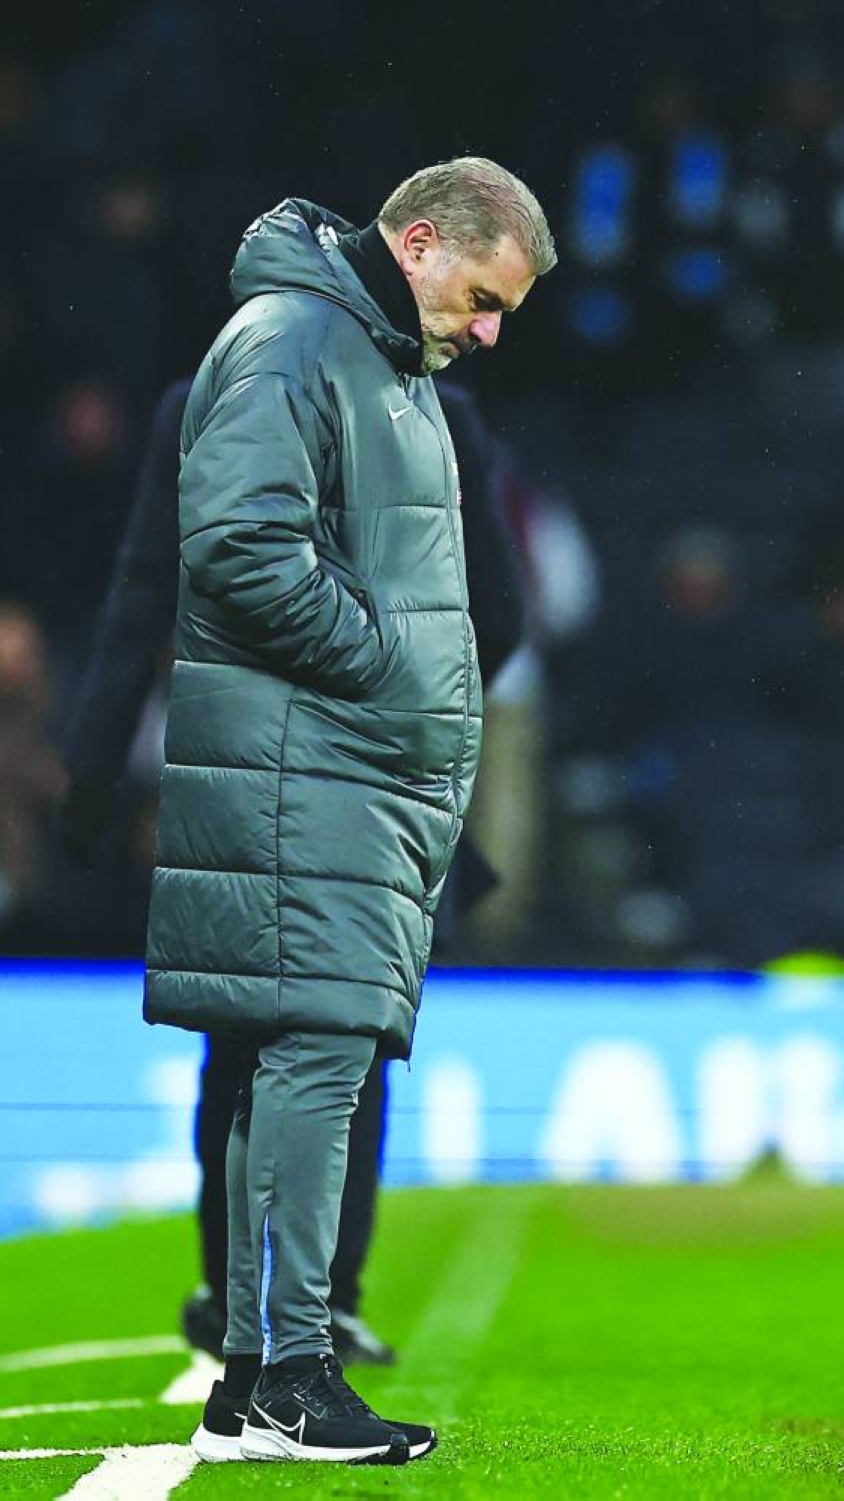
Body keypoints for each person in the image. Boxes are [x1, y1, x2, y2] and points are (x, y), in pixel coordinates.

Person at [142, 159, 554, 1465]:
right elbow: (241, 548)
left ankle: (259, 1370)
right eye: (484, 297)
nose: (487, 331)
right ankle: (293, 1376)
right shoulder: (292, 341)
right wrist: (385, 667)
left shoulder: (381, 357)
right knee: (317, 1053)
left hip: (342, 773)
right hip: (304, 769)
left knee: (303, 1061)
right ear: (423, 243)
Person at [59, 368, 526, 1369]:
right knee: (348, 1033)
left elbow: (142, 594)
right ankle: (329, 1301)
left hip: (238, 773)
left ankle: (230, 1291)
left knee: (237, 1038)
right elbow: (500, 608)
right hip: (371, 781)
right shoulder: (441, 410)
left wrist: (92, 773)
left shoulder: (192, 403)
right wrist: (413, 718)